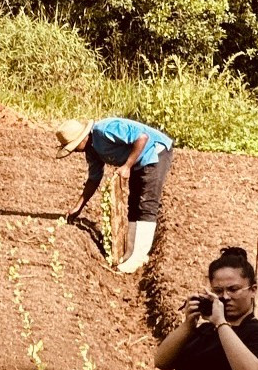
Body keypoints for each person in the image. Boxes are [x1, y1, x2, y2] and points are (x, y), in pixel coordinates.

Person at [58, 116, 176, 273]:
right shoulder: (91, 150)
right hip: (139, 159)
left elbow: (142, 137)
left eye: (74, 146)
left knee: (147, 203)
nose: (75, 151)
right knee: (134, 203)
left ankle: (139, 257)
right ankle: (130, 253)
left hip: (155, 152)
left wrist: (127, 166)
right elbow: (94, 179)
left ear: (83, 137)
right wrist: (77, 208)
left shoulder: (106, 130)